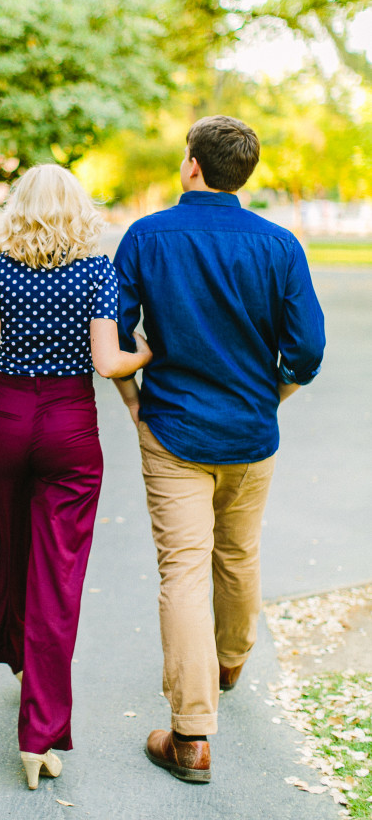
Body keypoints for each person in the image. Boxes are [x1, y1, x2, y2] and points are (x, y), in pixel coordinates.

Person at [112, 115, 325, 784]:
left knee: (182, 570)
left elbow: (115, 341)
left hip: (172, 431)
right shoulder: (279, 244)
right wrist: (274, 395)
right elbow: (309, 350)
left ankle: (191, 735)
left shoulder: (147, 237)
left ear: (193, 166)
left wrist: (134, 402)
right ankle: (230, 661)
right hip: (251, 433)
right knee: (237, 554)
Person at [0, 163, 152, 790]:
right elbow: (109, 361)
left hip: (3, 423)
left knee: (16, 550)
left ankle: (19, 657)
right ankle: (39, 733)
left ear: (18, 209)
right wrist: (149, 354)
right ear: (78, 210)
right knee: (56, 575)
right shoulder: (95, 272)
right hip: (67, 428)